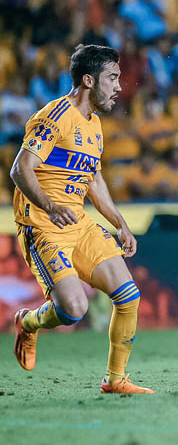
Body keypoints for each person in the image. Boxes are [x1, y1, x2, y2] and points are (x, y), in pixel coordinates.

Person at [10, 44, 153, 394]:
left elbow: (94, 180)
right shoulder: (55, 116)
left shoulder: (95, 125)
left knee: (128, 295)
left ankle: (115, 379)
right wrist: (48, 205)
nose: (120, 86)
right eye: (113, 78)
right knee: (74, 310)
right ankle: (28, 323)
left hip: (79, 224)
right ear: (89, 80)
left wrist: (120, 223)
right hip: (44, 226)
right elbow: (20, 168)